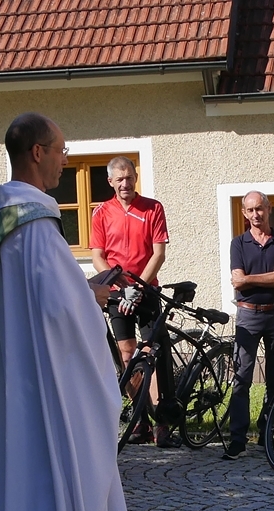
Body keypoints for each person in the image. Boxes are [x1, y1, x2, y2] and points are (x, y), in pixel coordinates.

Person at [0, 113, 137, 511]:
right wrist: (92, 299)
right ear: (38, 152)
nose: (67, 160)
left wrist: (77, 294)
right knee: (57, 481)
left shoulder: (2, 216)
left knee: (29, 484)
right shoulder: (34, 223)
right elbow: (61, 311)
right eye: (63, 150)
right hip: (50, 388)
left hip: (21, 382)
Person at [90, 156, 176, 447]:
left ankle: (163, 420)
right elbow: (98, 257)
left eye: (130, 177)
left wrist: (138, 286)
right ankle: (140, 420)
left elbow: (158, 253)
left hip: (147, 290)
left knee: (153, 352)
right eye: (120, 179)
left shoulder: (153, 208)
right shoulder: (101, 213)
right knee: (127, 357)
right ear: (111, 182)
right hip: (116, 292)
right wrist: (119, 284)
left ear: (135, 177)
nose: (125, 183)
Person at [226, 190, 274, 460]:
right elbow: (237, 280)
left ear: (269, 209)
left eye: (260, 209)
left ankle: (267, 434)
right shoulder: (238, 244)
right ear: (244, 213)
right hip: (248, 315)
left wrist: (249, 279)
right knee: (242, 378)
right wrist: (271, 276)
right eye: (250, 210)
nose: (256, 214)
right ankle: (237, 440)